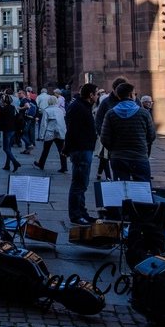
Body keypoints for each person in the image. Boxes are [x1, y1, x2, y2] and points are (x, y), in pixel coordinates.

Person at [100, 83, 156, 182]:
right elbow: (151, 136)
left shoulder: (110, 114)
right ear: (130, 95)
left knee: (122, 190)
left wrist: (114, 149)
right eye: (135, 94)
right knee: (142, 190)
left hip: (118, 157)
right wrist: (141, 145)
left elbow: (104, 138)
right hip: (139, 157)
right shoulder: (144, 113)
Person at [64, 83, 99, 225]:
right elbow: (73, 131)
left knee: (81, 184)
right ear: (90, 95)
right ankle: (76, 215)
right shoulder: (79, 107)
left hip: (83, 149)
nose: (97, 96)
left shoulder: (81, 105)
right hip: (81, 150)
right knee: (79, 184)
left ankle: (82, 212)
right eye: (96, 93)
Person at [33, 96, 68, 172]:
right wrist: (64, 133)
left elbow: (43, 124)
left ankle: (41, 164)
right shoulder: (60, 110)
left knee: (46, 150)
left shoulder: (47, 110)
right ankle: (64, 166)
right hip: (60, 132)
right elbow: (63, 122)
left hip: (50, 132)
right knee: (61, 150)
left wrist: (41, 136)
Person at [0, 94, 21, 172]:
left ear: (4, 102)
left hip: (6, 130)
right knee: (9, 148)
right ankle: (7, 165)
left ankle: (15, 162)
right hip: (13, 129)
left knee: (5, 148)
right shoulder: (13, 108)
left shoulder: (4, 109)